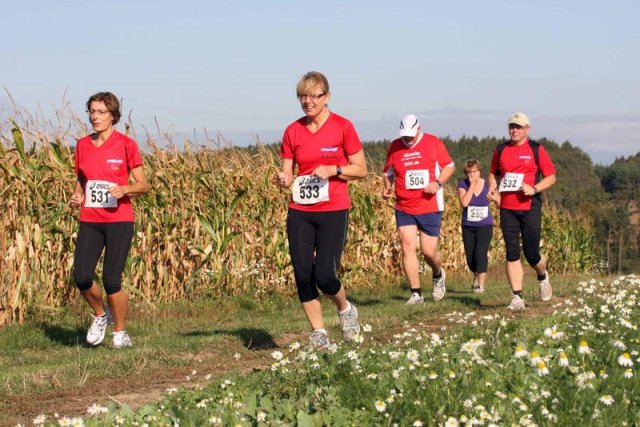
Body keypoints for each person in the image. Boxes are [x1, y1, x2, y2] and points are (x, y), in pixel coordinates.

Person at [275, 71, 367, 349]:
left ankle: (345, 310)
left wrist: (334, 169)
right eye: (302, 96)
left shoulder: (343, 126)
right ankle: (319, 333)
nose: (308, 101)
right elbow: (288, 172)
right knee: (303, 274)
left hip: (333, 209)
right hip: (300, 210)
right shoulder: (292, 131)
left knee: (324, 275)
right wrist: (283, 179)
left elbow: (361, 169)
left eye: (314, 96)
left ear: (327, 97)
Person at [70, 92, 150, 348]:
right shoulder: (82, 145)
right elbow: (82, 178)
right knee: (82, 276)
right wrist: (78, 194)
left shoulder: (126, 145)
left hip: (119, 220)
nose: (95, 117)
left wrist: (125, 189)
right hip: (90, 219)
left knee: (112, 280)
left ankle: (120, 333)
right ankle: (100, 315)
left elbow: (143, 184)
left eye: (101, 112)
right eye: (92, 112)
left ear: (113, 116)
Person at [383, 114, 455, 304]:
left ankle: (438, 274)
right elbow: (388, 172)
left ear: (419, 129)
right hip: (404, 206)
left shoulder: (433, 142)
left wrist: (438, 183)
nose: (408, 139)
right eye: (405, 135)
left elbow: (449, 166)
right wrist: (387, 187)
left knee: (428, 251)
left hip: (429, 205)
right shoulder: (394, 146)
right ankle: (416, 294)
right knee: (407, 247)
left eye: (411, 135)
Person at [488, 112, 556, 310]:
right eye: (512, 126)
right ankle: (517, 297)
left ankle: (542, 275)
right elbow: (493, 173)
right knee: (512, 252)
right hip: (507, 207)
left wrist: (534, 188)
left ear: (527, 129)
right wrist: (493, 188)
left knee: (531, 253)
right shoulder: (501, 149)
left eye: (518, 127)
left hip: (530, 206)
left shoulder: (536, 149)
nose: (514, 130)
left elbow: (551, 176)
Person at [457, 159, 494, 293]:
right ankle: (476, 274)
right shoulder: (463, 184)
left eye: (474, 171)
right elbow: (464, 203)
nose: (472, 174)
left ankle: (480, 286)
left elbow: (500, 201)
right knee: (471, 258)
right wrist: (472, 186)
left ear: (479, 171)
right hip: (468, 226)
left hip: (485, 225)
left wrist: (494, 197)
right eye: (469, 172)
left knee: (480, 252)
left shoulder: (488, 184)